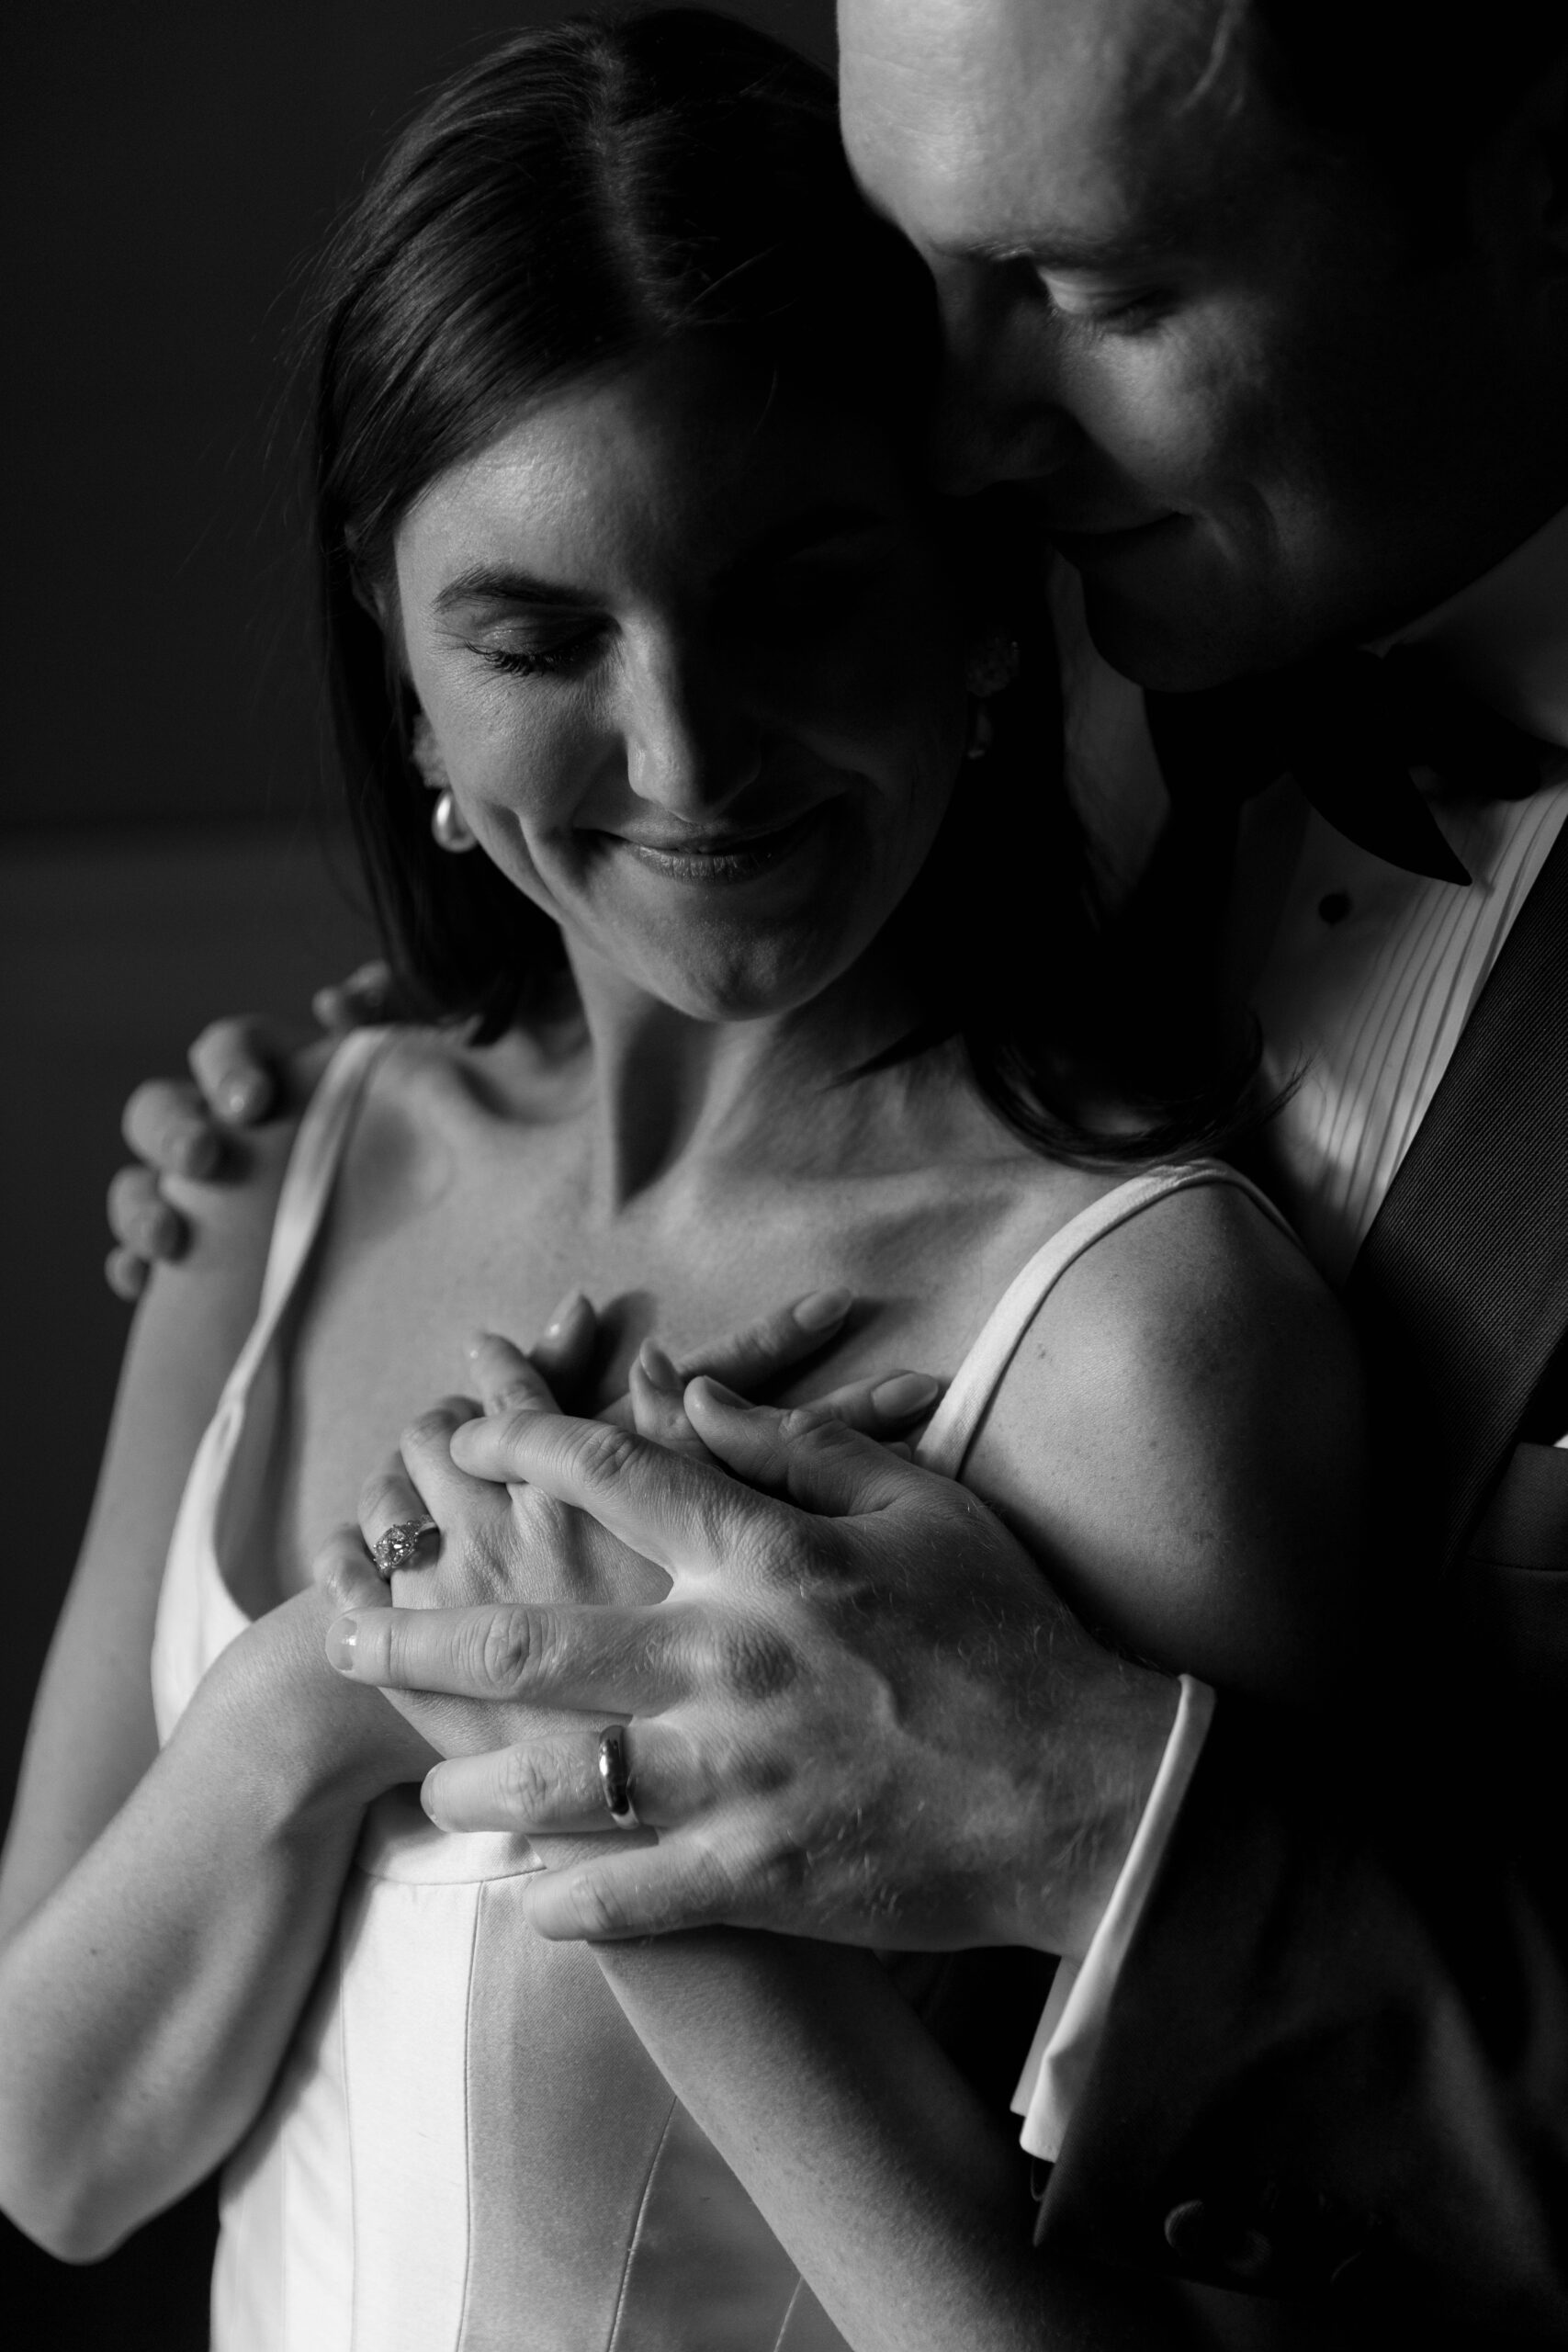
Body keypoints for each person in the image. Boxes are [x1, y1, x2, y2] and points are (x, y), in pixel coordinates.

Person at [0, 14, 1368, 2348]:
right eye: (533, 636)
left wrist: (575, 1767)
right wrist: (335, 1683)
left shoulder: (1137, 1347)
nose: (679, 751)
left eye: (792, 592)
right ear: (408, 682)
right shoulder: (272, 1175)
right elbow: (59, 2159)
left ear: (963, 601)